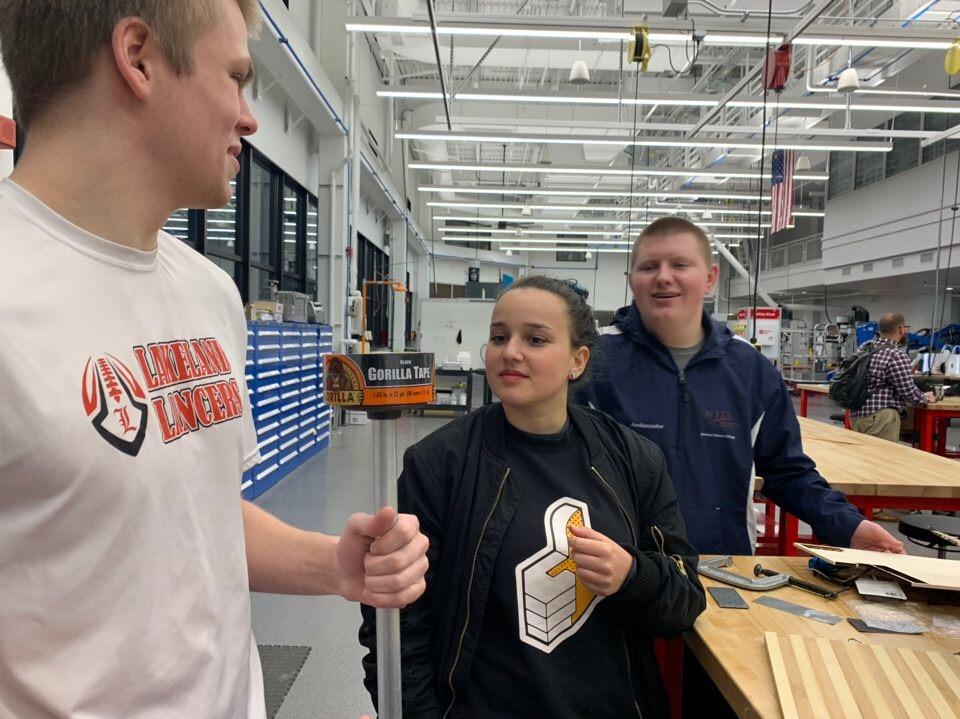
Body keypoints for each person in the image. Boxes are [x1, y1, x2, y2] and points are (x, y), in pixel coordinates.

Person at [0, 2, 428, 717]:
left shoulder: (208, 291)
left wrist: (332, 564)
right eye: (236, 77)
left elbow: (197, 512)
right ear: (138, 57)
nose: (250, 118)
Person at [359, 275, 706, 719]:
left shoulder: (635, 460)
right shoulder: (438, 463)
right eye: (499, 337)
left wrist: (631, 575)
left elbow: (684, 600)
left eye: (535, 339)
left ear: (577, 361)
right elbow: (395, 617)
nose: (510, 352)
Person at [577, 217, 904, 556]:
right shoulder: (591, 362)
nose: (663, 276)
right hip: (621, 566)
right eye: (649, 266)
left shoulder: (750, 370)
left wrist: (848, 526)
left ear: (710, 278)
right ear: (632, 280)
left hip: (722, 564)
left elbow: (786, 470)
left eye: (679, 264)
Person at [852, 313, 936, 442]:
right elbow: (907, 391)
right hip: (881, 417)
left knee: (862, 454)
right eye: (906, 328)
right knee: (882, 454)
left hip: (857, 415)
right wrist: (925, 398)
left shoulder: (864, 347)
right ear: (901, 329)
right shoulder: (896, 354)